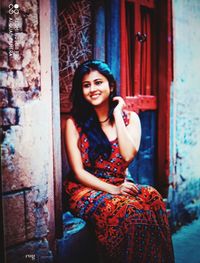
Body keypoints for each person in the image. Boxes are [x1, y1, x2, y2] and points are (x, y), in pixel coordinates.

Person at [64, 60, 174, 263]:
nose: (93, 89)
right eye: (86, 85)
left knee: (153, 198)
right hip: (84, 189)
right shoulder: (74, 123)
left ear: (111, 86)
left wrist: (116, 113)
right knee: (132, 214)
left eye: (98, 82)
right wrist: (113, 190)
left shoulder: (130, 119)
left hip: (118, 183)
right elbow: (78, 172)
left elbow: (127, 155)